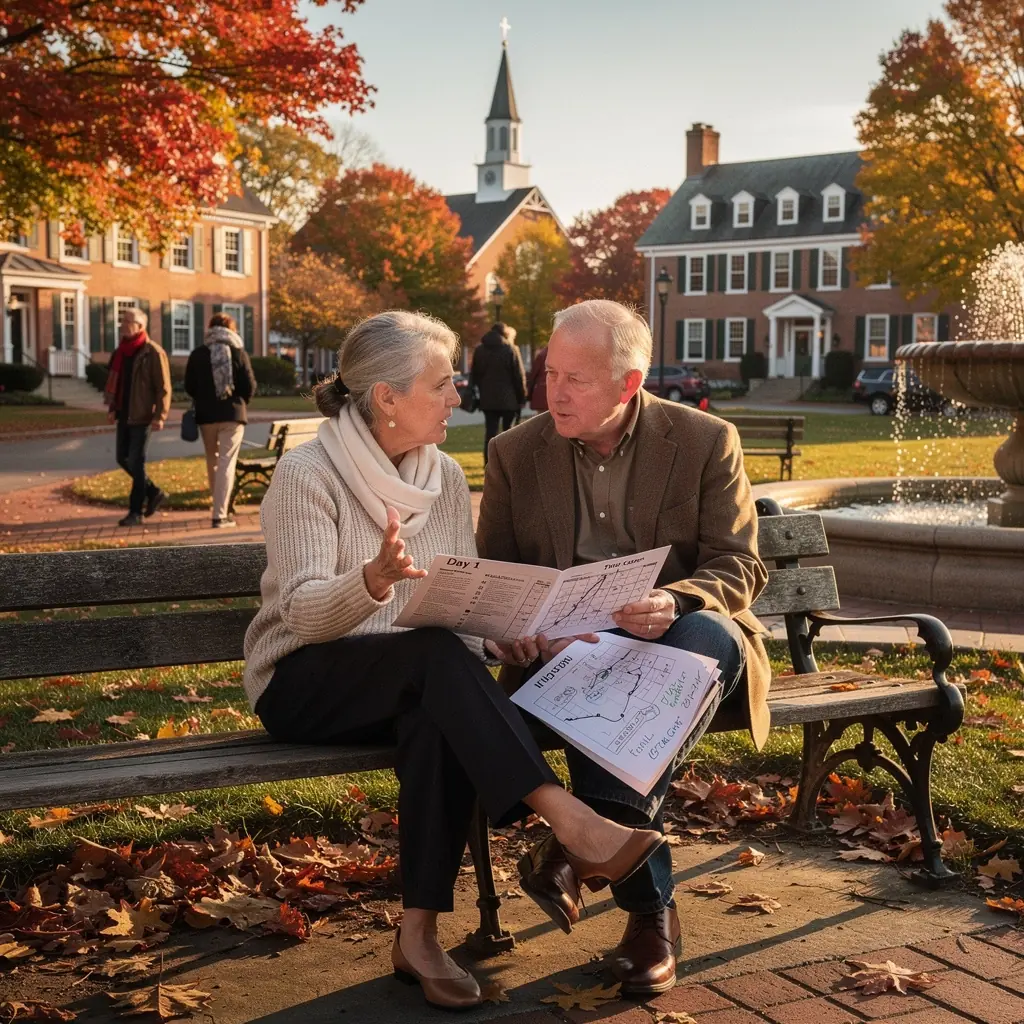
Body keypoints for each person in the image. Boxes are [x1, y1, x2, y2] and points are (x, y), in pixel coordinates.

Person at [243, 309, 666, 1012]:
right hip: (303, 680)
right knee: (433, 663)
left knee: (437, 711)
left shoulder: (438, 472)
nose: (457, 396)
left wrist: (499, 636)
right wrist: (372, 581)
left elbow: (453, 606)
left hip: (413, 678)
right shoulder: (305, 473)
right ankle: (570, 821)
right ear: (387, 397)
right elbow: (303, 614)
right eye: (441, 385)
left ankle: (418, 938)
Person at [476, 299, 771, 997]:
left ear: (629, 383)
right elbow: (499, 578)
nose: (554, 393)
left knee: (703, 638)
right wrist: (521, 627)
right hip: (564, 653)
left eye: (576, 380)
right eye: (550, 374)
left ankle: (574, 847)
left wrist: (676, 599)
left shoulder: (704, 440)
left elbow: (740, 564)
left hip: (678, 636)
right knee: (603, 684)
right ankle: (648, 915)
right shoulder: (514, 452)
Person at [184, 312, 257, 528]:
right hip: (232, 415)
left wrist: (204, 398)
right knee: (226, 462)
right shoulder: (237, 351)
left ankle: (219, 507)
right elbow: (249, 385)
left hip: (206, 416)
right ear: (231, 329)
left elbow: (189, 386)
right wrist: (240, 401)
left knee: (213, 461)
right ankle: (220, 513)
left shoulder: (198, 353)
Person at [103, 306, 170, 527]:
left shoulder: (153, 352)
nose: (123, 325)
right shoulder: (120, 352)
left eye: (128, 321)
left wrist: (160, 415)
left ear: (140, 326)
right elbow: (117, 384)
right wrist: (112, 408)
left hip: (143, 416)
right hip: (124, 414)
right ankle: (153, 491)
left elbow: (163, 387)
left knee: (136, 462)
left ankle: (135, 512)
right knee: (122, 458)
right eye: (122, 321)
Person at [470, 322, 526, 462]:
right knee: (508, 433)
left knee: (490, 433)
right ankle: (506, 464)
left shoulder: (480, 350)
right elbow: (518, 376)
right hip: (509, 399)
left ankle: (488, 464)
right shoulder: (510, 349)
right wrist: (522, 397)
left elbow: (474, 375)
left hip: (488, 399)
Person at [527, 344, 548, 412]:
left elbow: (532, 376)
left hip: (542, 393)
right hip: (556, 395)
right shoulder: (563, 355)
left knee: (542, 416)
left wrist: (528, 395)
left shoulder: (541, 355)